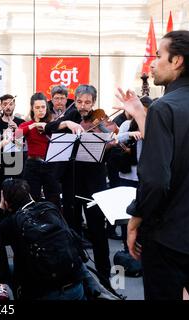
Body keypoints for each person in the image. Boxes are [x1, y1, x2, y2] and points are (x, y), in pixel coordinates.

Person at [115, 30, 189, 300]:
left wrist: (136, 218)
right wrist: (139, 113)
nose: (153, 62)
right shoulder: (164, 109)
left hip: (169, 237)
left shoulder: (165, 108)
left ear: (177, 61)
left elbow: (156, 179)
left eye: (159, 55)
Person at [44, 84, 112, 282]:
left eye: (88, 102)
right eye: (80, 101)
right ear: (75, 100)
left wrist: (107, 143)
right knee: (71, 231)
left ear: (94, 103)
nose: (83, 106)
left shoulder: (99, 119)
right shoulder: (70, 115)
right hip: (72, 182)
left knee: (98, 231)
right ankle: (76, 276)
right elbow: (48, 127)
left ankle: (104, 277)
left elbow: (106, 151)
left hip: (94, 183)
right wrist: (66, 124)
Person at [0, 179, 85, 300]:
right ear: (29, 194)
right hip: (75, 287)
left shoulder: (10, 223)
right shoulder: (49, 207)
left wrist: (0, 209)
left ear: (6, 202)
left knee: (11, 270)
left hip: (45, 293)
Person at [18, 92, 60, 206]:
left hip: (50, 165)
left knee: (54, 199)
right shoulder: (27, 124)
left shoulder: (51, 124)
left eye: (43, 107)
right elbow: (16, 135)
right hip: (33, 165)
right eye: (37, 107)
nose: (41, 110)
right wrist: (33, 125)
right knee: (32, 199)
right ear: (32, 108)